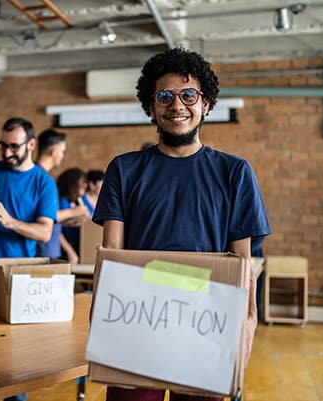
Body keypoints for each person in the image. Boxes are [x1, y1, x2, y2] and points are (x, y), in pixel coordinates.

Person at [92, 48, 271, 401]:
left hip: (205, 328)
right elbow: (112, 255)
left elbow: (242, 266)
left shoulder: (234, 173)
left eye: (189, 94)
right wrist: (108, 329)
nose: (177, 105)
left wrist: (245, 332)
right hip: (137, 322)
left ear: (205, 104)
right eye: (165, 96)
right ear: (151, 106)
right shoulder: (124, 170)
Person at [0, 117, 58, 401]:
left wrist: (11, 222)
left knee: (14, 355)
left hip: (13, 279)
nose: (6, 153)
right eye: (2, 146)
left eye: (14, 147)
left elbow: (44, 232)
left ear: (31, 144)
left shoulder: (43, 182)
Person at [35, 128, 89, 258]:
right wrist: (76, 212)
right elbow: (35, 215)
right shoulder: (37, 178)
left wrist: (66, 222)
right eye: (62, 151)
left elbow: (44, 218)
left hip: (50, 252)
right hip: (41, 253)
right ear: (53, 152)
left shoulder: (43, 177)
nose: (62, 156)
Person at [57, 168, 88, 263]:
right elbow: (55, 227)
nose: (85, 185)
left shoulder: (78, 201)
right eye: (82, 182)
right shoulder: (61, 201)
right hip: (63, 250)